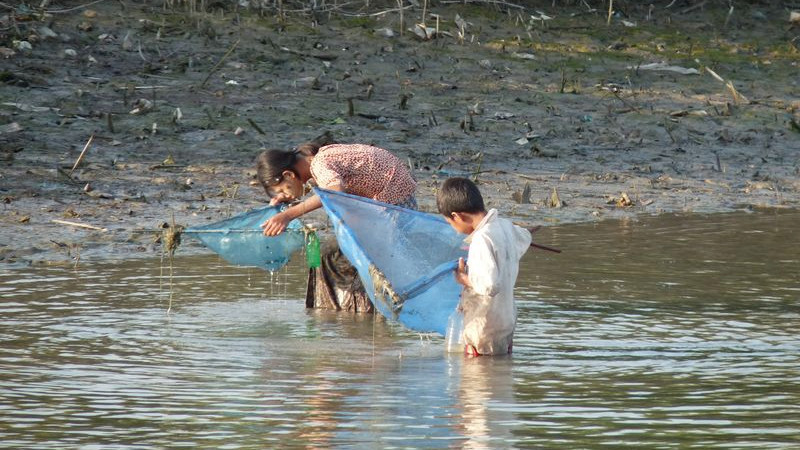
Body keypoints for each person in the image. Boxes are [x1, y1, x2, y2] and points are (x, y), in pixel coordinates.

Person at [255, 135, 417, 312]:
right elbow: (324, 186)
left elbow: (334, 192)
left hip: (394, 206)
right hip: (384, 202)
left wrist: (288, 215)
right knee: (338, 253)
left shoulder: (320, 164)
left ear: (289, 175)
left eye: (282, 189)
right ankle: (357, 312)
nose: (285, 194)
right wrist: (287, 199)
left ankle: (363, 313)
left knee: (343, 258)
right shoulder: (313, 160)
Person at [436, 177, 531, 356]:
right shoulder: (506, 226)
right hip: (506, 322)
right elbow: (525, 237)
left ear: (457, 216)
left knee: (478, 370)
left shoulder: (481, 239)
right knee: (501, 369)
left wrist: (465, 279)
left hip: (484, 328)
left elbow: (490, 285)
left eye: (451, 223)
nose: (454, 229)